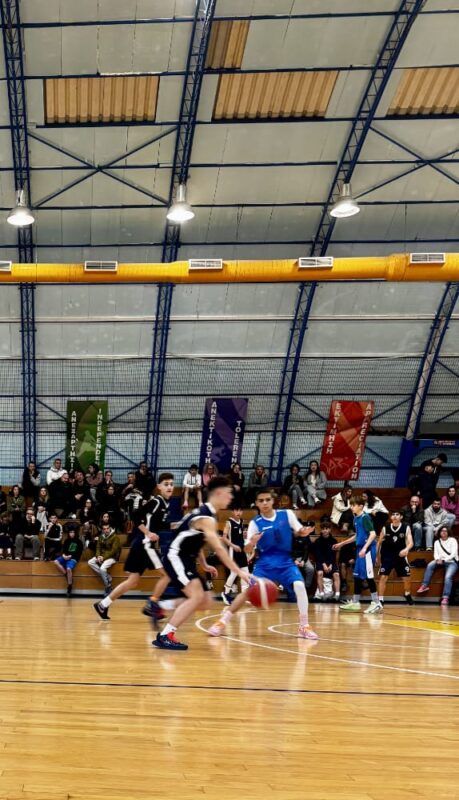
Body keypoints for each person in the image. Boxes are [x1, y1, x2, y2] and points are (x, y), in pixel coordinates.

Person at [207, 488, 319, 641]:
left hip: (285, 562)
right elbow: (247, 549)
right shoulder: (255, 523)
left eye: (267, 500)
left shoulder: (287, 514)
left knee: (299, 586)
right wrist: (251, 542)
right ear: (257, 503)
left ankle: (304, 626)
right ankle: (222, 622)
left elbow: (299, 531)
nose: (265, 503)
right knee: (247, 592)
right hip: (265, 563)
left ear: (273, 501)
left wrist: (304, 532)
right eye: (261, 500)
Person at [153, 477, 250, 651]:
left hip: (186, 558)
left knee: (206, 601)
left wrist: (204, 565)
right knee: (196, 596)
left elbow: (195, 542)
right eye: (228, 493)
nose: (230, 497)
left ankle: (160, 606)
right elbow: (218, 548)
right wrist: (239, 571)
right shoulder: (206, 517)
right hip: (176, 557)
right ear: (219, 493)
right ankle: (165, 635)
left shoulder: (207, 513)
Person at [94, 473, 174, 621]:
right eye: (166, 484)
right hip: (145, 545)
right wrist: (148, 533)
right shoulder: (156, 501)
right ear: (159, 486)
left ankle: (102, 604)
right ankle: (152, 604)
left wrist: (182, 524)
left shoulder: (165, 504)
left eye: (171, 484)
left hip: (141, 545)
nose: (169, 487)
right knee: (167, 575)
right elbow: (136, 516)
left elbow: (163, 525)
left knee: (132, 581)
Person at [333, 495, 382, 614]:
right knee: (357, 576)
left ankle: (377, 603)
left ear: (361, 506)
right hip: (361, 549)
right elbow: (357, 536)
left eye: (353, 505)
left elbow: (373, 534)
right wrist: (342, 544)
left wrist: (365, 548)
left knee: (369, 576)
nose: (351, 507)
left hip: (368, 549)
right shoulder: (356, 518)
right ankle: (355, 602)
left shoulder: (365, 517)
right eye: (350, 505)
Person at [377, 511, 413, 606]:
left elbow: (411, 543)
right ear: (391, 517)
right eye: (393, 514)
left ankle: (407, 594)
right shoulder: (385, 528)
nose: (395, 516)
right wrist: (376, 556)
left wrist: (406, 549)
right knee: (383, 577)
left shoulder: (406, 527)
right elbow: (379, 542)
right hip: (387, 556)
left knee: (407, 578)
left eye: (397, 515)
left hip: (400, 556)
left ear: (401, 517)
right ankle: (380, 599)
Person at [417, 526, 458, 606]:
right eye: (442, 531)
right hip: (440, 560)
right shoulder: (437, 542)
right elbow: (436, 553)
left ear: (448, 532)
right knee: (430, 565)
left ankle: (445, 597)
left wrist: (444, 560)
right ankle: (424, 585)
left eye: (445, 531)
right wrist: (437, 559)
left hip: (452, 562)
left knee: (448, 577)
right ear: (439, 532)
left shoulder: (452, 540)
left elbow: (453, 554)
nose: (444, 532)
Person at [220, 501, 250, 604]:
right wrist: (233, 546)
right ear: (233, 511)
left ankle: (244, 595)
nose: (238, 512)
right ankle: (225, 593)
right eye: (236, 510)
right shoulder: (229, 522)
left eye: (240, 510)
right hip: (233, 550)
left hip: (242, 550)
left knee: (245, 571)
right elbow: (224, 538)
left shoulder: (242, 521)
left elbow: (241, 537)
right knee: (234, 572)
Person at [87, 522, 121, 596]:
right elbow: (98, 547)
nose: (106, 530)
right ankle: (108, 576)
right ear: (102, 530)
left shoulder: (115, 537)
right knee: (90, 562)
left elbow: (113, 551)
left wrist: (103, 557)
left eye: (107, 528)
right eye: (104, 529)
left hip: (112, 557)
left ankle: (108, 586)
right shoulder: (101, 537)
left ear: (110, 528)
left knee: (102, 569)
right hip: (102, 556)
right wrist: (98, 556)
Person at [312, 522, 340, 601]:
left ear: (330, 530)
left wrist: (330, 564)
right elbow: (318, 554)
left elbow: (333, 554)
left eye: (327, 529)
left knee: (336, 574)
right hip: (320, 561)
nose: (325, 530)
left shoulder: (334, 541)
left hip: (331, 562)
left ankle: (337, 595)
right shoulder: (317, 541)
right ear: (321, 530)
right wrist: (324, 564)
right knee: (320, 573)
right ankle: (321, 594)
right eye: (323, 529)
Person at [54, 527, 84, 595]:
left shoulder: (79, 542)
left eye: (73, 532)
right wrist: (64, 555)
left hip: (73, 558)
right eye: (70, 532)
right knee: (56, 562)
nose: (72, 534)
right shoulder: (66, 540)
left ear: (75, 533)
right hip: (65, 557)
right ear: (68, 533)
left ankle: (70, 586)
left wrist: (70, 557)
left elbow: (79, 553)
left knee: (69, 569)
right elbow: (63, 550)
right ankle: (66, 575)